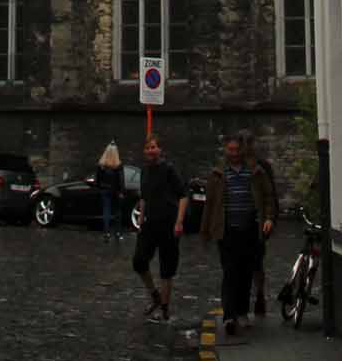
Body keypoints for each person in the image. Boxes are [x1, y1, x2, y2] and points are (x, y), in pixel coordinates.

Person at [200, 130, 275, 342]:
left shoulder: (255, 172)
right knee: (230, 272)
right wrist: (205, 232)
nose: (233, 153)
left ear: (242, 149)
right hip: (227, 231)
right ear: (225, 150)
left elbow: (268, 196)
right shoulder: (218, 174)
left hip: (250, 229)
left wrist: (268, 217)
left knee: (245, 273)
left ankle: (241, 312)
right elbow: (210, 205)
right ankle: (229, 316)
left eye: (236, 149)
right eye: (230, 149)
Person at [133, 132, 187, 323]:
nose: (150, 150)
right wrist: (140, 220)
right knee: (139, 261)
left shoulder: (169, 169)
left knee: (167, 268)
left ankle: (164, 309)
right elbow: (144, 197)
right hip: (150, 223)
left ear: (160, 149)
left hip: (169, 223)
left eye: (154, 147)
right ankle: (154, 295)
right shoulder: (144, 171)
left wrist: (179, 222)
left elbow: (183, 195)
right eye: (148, 147)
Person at [250, 138, 280, 316]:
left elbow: (270, 195)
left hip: (257, 223)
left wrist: (270, 218)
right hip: (239, 223)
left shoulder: (262, 168)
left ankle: (259, 293)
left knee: (256, 262)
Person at [98, 141, 125, 242]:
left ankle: (107, 233)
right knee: (117, 212)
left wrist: (100, 188)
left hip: (105, 190)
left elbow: (98, 179)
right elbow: (121, 180)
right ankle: (118, 233)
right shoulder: (118, 165)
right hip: (116, 191)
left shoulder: (101, 165)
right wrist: (121, 191)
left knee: (106, 211)